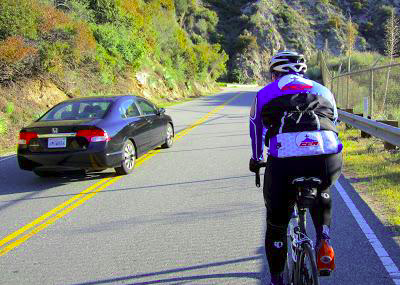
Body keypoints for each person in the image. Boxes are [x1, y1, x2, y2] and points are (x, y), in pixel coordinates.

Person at [249, 50, 343, 285]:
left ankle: (276, 280)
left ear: (275, 73)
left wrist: (256, 158)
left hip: (284, 162)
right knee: (322, 188)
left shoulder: (264, 93)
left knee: (276, 224)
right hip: (326, 157)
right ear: (302, 70)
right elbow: (334, 122)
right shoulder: (323, 91)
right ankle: (324, 241)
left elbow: (255, 129)